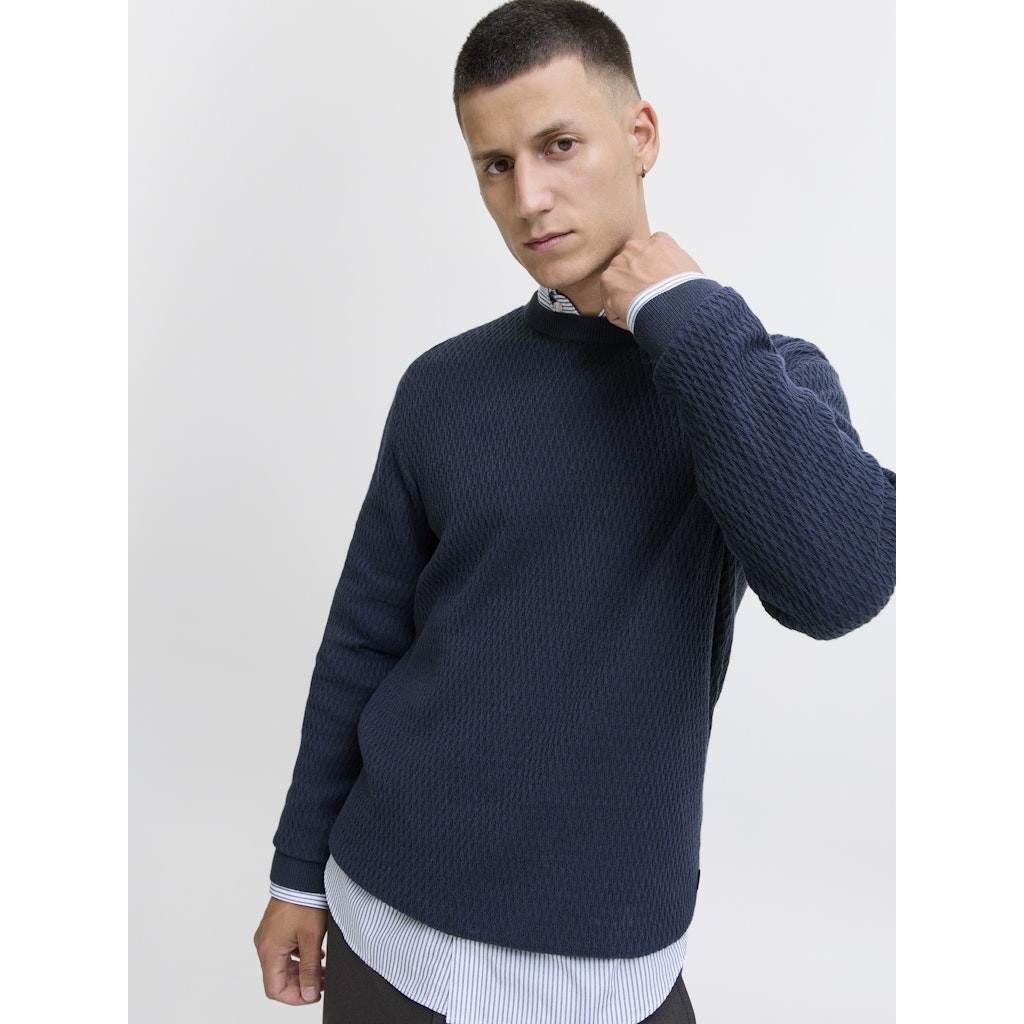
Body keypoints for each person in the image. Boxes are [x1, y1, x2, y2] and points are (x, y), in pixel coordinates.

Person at [253, 1, 897, 1021]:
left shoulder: (752, 379)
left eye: (559, 145)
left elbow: (843, 585)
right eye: (494, 164)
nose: (528, 198)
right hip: (386, 928)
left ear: (640, 136)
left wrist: (685, 312)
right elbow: (364, 641)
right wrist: (297, 871)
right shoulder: (443, 387)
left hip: (604, 971)